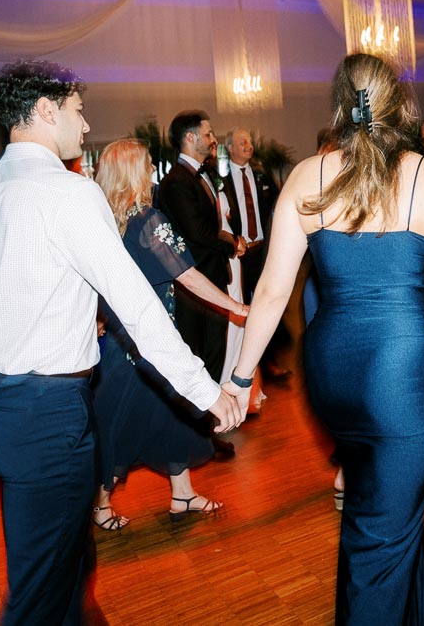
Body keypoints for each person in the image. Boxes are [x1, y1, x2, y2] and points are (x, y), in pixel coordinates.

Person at [0, 61, 241, 626]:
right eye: (77, 109)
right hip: (45, 412)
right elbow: (135, 303)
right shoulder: (70, 193)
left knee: (67, 556)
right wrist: (203, 388)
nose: (85, 121)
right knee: (39, 583)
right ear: (46, 111)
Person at [225, 53, 424, 624]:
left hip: (332, 375)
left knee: (384, 510)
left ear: (339, 105)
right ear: (399, 106)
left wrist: (237, 377)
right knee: (382, 536)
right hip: (402, 375)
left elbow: (273, 294)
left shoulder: (308, 175)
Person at [90, 139, 249, 529]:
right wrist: (237, 307)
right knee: (121, 422)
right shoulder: (148, 221)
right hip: (146, 345)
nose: (150, 172)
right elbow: (188, 276)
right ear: (133, 173)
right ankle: (101, 505)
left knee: (169, 415)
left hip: (121, 341)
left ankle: (183, 494)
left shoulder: (103, 224)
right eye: (145, 165)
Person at [156, 111, 244, 386]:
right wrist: (233, 243)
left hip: (213, 273)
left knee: (216, 346)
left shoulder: (200, 174)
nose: (212, 139)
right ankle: (200, 413)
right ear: (190, 137)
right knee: (199, 349)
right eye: (207, 134)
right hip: (195, 279)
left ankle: (212, 407)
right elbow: (197, 232)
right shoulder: (176, 181)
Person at [223, 127, 288, 381]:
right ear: (230, 149)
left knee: (266, 304)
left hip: (262, 251)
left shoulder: (261, 175)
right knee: (242, 309)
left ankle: (270, 363)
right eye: (242, 142)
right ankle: (246, 366)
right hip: (238, 255)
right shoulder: (222, 178)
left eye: (249, 141)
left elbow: (277, 206)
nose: (249, 145)